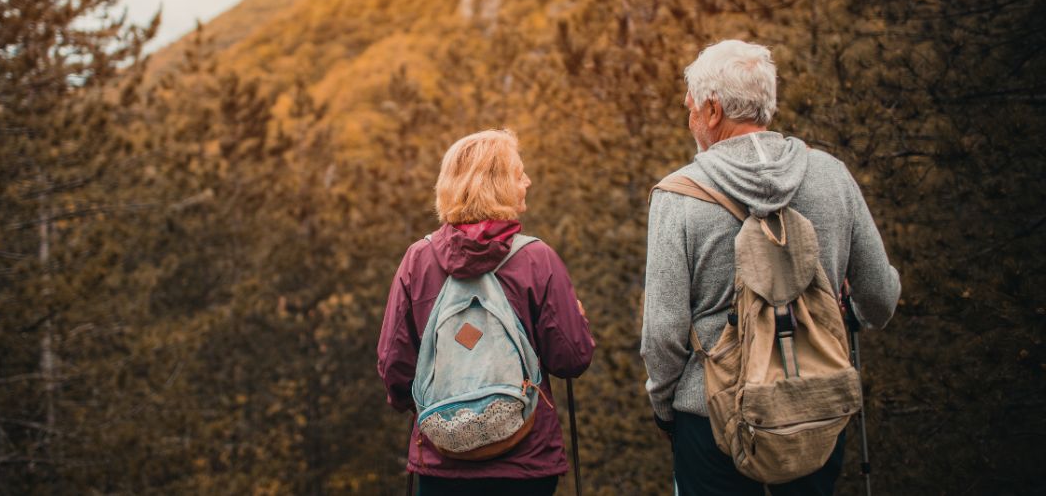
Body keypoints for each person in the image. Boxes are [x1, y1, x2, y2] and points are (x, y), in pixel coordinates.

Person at [641, 40, 901, 495]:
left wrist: (666, 409)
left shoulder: (678, 196)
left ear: (713, 109)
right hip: (816, 409)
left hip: (712, 418)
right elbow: (880, 296)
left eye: (691, 108)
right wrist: (847, 313)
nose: (690, 120)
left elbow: (662, 332)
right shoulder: (831, 175)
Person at [378, 129, 595, 496]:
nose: (527, 180)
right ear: (497, 185)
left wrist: (421, 407)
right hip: (525, 460)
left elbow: (394, 365)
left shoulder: (418, 260)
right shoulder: (536, 259)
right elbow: (571, 359)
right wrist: (580, 322)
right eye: (518, 173)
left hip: (441, 458)